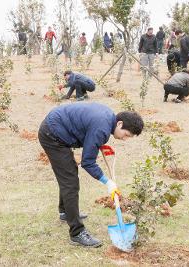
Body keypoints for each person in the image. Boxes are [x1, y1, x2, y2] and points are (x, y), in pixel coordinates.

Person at [38, 102, 144, 247]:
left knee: (70, 176)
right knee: (70, 182)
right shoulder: (101, 128)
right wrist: (108, 182)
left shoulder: (107, 118)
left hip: (58, 126)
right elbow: (87, 162)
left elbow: (90, 129)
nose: (125, 139)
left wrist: (96, 142)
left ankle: (65, 212)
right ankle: (77, 233)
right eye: (126, 135)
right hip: (52, 135)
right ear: (119, 124)